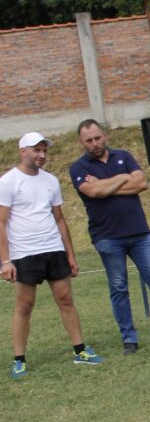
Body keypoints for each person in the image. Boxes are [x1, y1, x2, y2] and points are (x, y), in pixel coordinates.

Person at [70, 120, 150, 354]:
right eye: (89, 140)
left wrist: (107, 185)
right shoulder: (78, 168)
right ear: (81, 142)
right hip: (107, 237)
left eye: (97, 138)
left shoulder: (123, 156)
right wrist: (122, 178)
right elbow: (94, 191)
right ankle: (129, 339)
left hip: (140, 233)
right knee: (119, 288)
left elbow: (140, 183)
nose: (95, 143)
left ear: (104, 135)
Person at [1, 132, 103, 378]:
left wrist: (70, 254)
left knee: (65, 299)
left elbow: (59, 219)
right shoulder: (8, 182)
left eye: (44, 151)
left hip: (53, 249)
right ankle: (19, 360)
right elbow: (1, 222)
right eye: (37, 150)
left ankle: (80, 350)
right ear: (23, 151)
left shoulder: (51, 181)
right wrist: (5, 261)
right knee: (25, 305)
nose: (42, 155)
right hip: (24, 252)